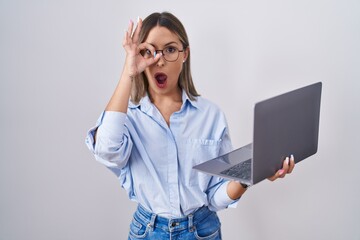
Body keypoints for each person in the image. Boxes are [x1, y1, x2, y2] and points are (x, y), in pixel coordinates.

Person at [85, 11, 295, 240]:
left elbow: (215, 197)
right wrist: (129, 71)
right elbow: (106, 150)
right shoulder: (128, 117)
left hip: (202, 230)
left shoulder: (211, 116)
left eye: (171, 49)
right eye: (149, 51)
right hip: (147, 232)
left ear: (185, 54)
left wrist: (249, 176)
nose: (160, 60)